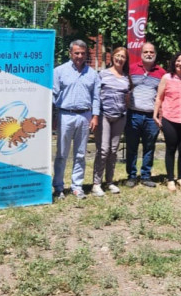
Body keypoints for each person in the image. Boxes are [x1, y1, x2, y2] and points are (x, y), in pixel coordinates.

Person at [53, 39, 100, 200]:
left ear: (86, 54)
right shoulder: (59, 71)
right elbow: (53, 94)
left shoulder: (92, 74)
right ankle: (58, 187)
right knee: (61, 153)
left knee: (80, 154)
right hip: (65, 114)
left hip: (85, 116)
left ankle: (77, 186)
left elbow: (96, 97)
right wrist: (53, 116)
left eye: (82, 53)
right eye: (76, 53)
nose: (79, 56)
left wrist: (95, 116)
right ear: (70, 53)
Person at [153, 51, 181, 191]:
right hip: (169, 118)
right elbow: (159, 98)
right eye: (178, 61)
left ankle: (180, 177)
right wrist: (155, 114)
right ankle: (171, 178)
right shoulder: (166, 78)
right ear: (174, 62)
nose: (180, 63)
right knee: (171, 149)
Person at [91, 47, 131, 197]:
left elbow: (127, 97)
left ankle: (109, 182)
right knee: (103, 150)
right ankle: (96, 183)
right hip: (104, 116)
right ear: (112, 57)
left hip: (120, 116)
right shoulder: (102, 74)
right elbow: (95, 95)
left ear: (126, 60)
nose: (120, 59)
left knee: (113, 150)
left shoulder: (127, 77)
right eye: (117, 56)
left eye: (123, 57)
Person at [125, 42, 165, 187]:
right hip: (133, 114)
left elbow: (163, 96)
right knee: (132, 147)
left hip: (151, 117)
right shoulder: (131, 69)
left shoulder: (161, 73)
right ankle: (131, 176)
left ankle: (146, 176)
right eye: (146, 52)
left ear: (155, 54)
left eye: (151, 52)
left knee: (149, 147)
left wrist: (160, 116)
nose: (149, 54)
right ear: (141, 54)